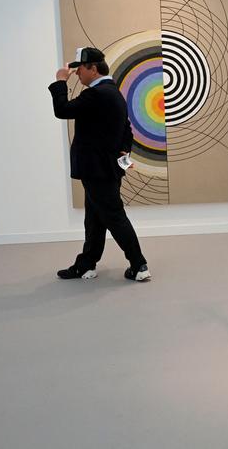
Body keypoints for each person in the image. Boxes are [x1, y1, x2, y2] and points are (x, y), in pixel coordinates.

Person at [48, 47, 151, 282]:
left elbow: (62, 110)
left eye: (79, 69)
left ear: (93, 68)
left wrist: (60, 81)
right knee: (94, 219)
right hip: (105, 168)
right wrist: (123, 151)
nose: (76, 74)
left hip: (97, 170)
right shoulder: (113, 92)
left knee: (114, 216)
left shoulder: (96, 94)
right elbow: (127, 129)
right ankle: (86, 264)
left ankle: (139, 265)